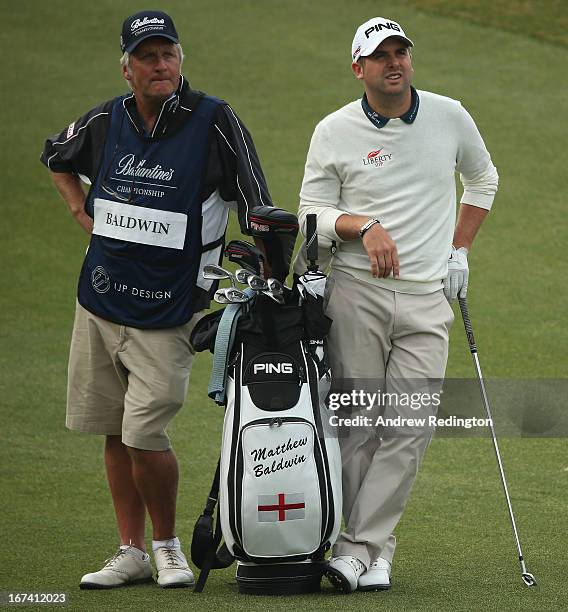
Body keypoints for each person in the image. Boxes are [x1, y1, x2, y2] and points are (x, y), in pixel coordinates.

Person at [41, 10, 283, 590]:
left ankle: (167, 546)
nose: (160, 65)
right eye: (147, 56)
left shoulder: (214, 120)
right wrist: (82, 212)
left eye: (167, 53)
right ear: (126, 67)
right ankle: (130, 551)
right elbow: (56, 156)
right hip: (99, 301)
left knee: (144, 432)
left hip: (169, 307)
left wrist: (274, 273)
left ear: (181, 59)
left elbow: (258, 204)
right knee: (113, 429)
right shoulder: (106, 119)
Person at [295, 16, 498, 593]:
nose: (394, 63)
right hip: (355, 294)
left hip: (427, 300)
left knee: (408, 427)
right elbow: (311, 214)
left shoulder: (449, 115)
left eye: (401, 52)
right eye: (381, 55)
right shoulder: (334, 130)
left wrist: (459, 249)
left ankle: (359, 546)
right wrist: (364, 226)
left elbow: (483, 180)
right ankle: (370, 548)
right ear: (358, 67)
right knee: (359, 428)